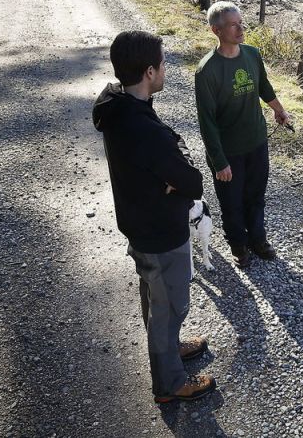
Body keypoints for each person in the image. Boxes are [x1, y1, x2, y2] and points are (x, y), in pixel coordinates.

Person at [92, 30, 216, 404]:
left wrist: (168, 182)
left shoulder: (114, 102)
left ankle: (169, 349)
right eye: (162, 65)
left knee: (155, 299)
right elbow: (193, 182)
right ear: (148, 72)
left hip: (139, 224)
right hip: (161, 233)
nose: (165, 70)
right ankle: (170, 384)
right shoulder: (145, 131)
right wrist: (174, 181)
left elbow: (172, 177)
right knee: (170, 306)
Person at [195, 1, 292, 267]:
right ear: (216, 30)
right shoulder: (207, 71)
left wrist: (279, 111)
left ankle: (258, 240)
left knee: (256, 195)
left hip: (257, 142)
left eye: (241, 22)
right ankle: (238, 245)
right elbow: (207, 122)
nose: (241, 28)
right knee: (232, 202)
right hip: (229, 151)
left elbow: (264, 86)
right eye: (234, 24)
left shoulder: (252, 54)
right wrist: (219, 161)